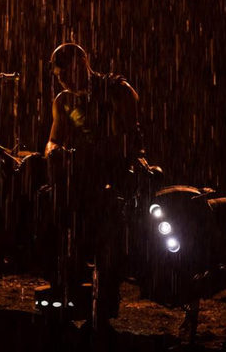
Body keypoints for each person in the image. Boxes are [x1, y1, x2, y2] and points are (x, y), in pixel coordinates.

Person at [44, 42, 152, 334]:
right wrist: (54, 151)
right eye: (58, 75)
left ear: (81, 64)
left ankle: (101, 310)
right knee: (59, 226)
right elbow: (54, 139)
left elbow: (132, 140)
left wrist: (108, 159)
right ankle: (64, 297)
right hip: (79, 181)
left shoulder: (118, 92)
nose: (62, 79)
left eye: (65, 72)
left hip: (114, 179)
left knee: (110, 238)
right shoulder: (63, 102)